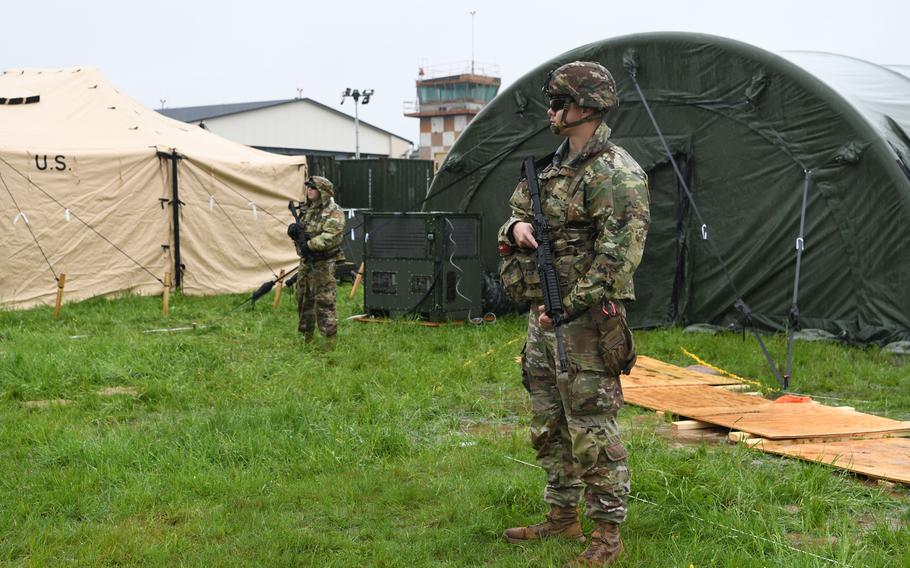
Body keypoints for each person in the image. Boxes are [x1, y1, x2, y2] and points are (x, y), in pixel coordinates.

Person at [498, 61, 650, 567]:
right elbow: (516, 213)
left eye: (559, 101)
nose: (552, 110)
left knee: (593, 427)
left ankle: (607, 538)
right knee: (548, 422)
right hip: (544, 317)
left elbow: (619, 255)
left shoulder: (617, 173)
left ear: (586, 107)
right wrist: (516, 229)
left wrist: (567, 309)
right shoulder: (549, 167)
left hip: (585, 322)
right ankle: (562, 518)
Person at [287, 176, 345, 346]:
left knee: (324, 301)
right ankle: (306, 338)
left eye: (313, 187)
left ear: (323, 192)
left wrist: (310, 245)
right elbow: (302, 234)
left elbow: (331, 237)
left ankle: (329, 341)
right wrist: (295, 234)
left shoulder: (334, 212)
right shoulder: (307, 210)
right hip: (306, 263)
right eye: (308, 187)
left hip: (324, 264)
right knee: (304, 298)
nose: (309, 190)